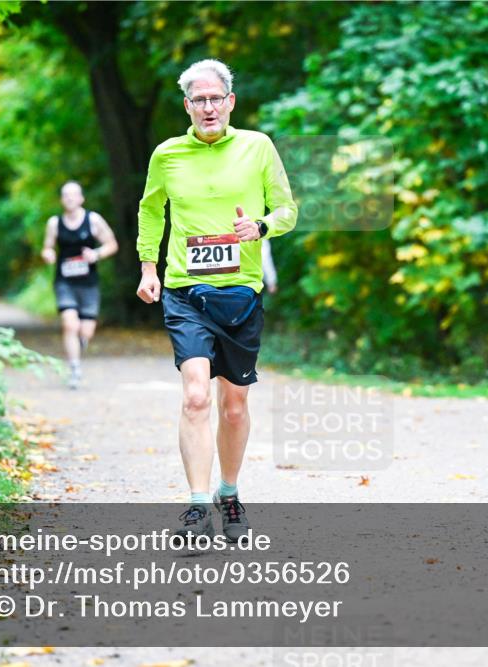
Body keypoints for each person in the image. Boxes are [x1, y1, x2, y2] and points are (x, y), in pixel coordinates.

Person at [136, 59, 297, 542]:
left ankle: (229, 493)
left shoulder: (258, 147)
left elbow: (287, 208)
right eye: (198, 100)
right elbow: (150, 209)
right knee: (196, 396)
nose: (208, 107)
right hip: (186, 290)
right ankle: (196, 505)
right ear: (187, 106)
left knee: (232, 406)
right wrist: (149, 268)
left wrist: (262, 226)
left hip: (241, 292)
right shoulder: (167, 155)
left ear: (230, 102)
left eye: (215, 98)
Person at [41, 181, 118, 389]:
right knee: (70, 324)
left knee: (86, 331)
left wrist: (96, 254)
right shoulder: (54, 223)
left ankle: (78, 346)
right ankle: (74, 368)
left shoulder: (93, 220)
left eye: (74, 195)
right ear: (61, 200)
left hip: (88, 283)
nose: (70, 198)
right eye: (66, 195)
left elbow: (112, 244)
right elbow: (47, 247)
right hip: (64, 282)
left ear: (81, 198)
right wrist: (48, 254)